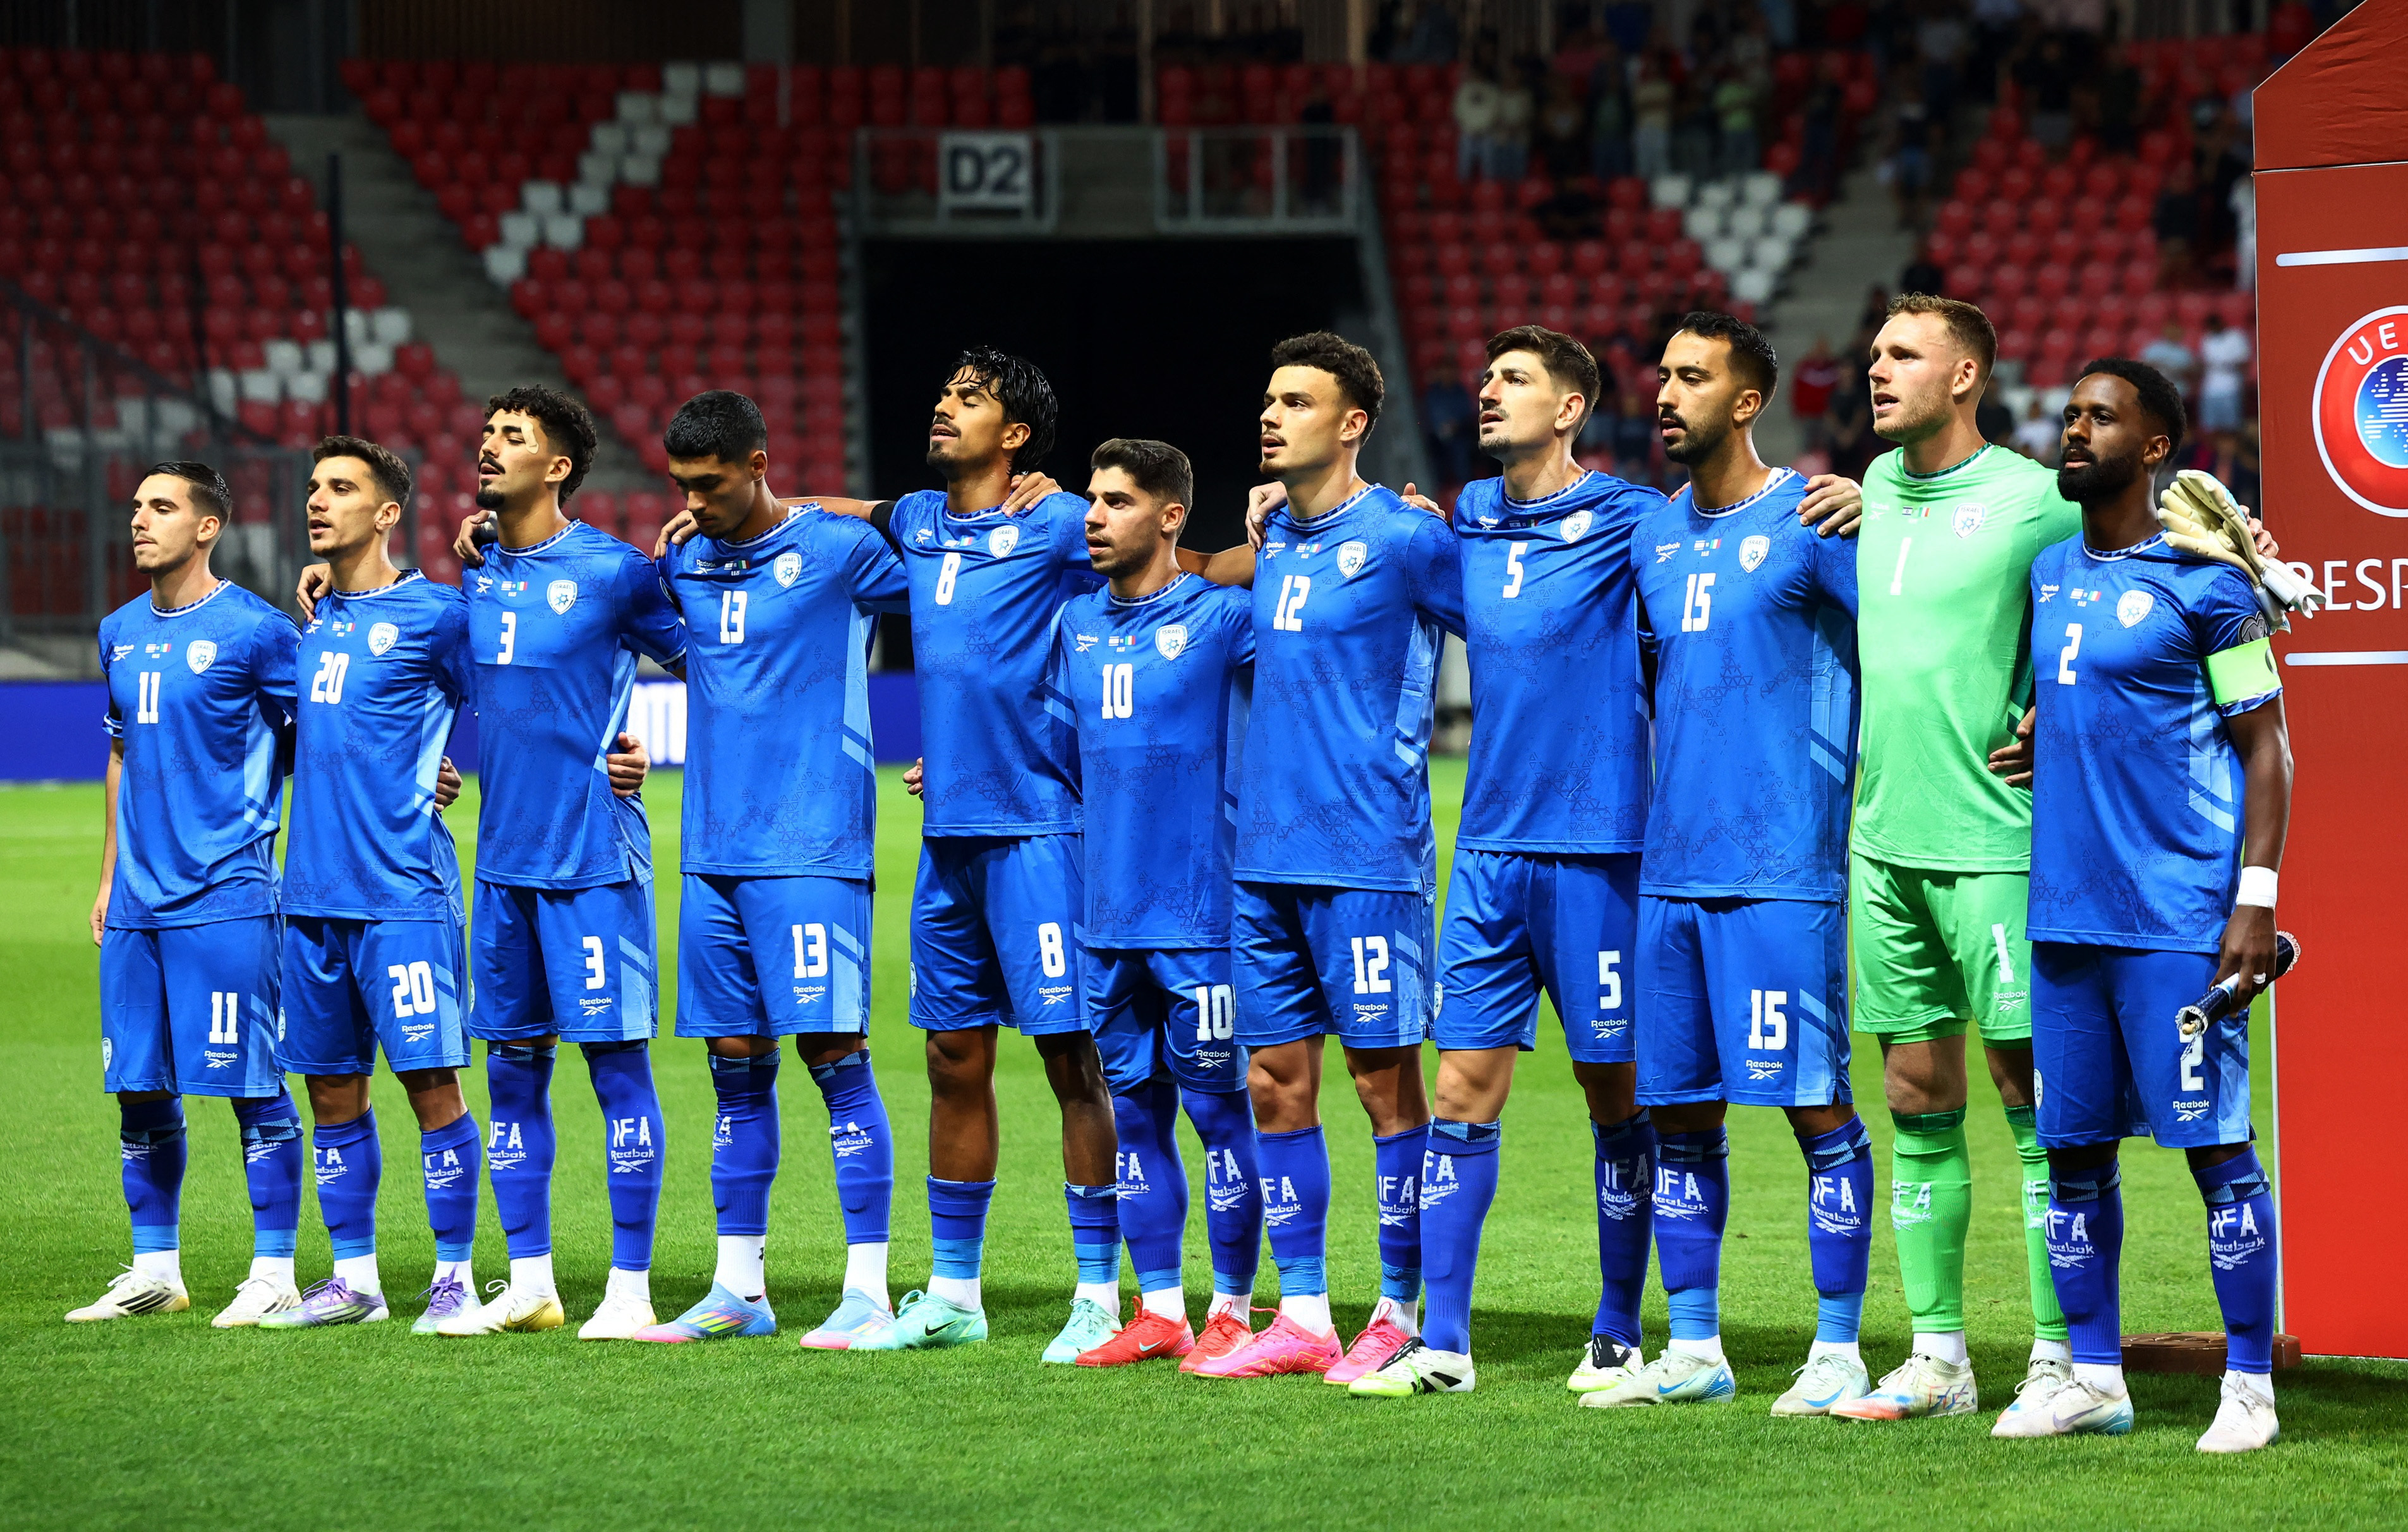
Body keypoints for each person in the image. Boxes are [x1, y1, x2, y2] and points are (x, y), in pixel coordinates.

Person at [1351, 327, 1666, 1399]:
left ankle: (1619, 1327)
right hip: (1486, 852)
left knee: (1614, 1095)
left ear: (1571, 408)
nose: (1486, 393)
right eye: (1485, 377)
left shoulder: (1633, 520)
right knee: (1459, 1096)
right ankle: (1443, 1345)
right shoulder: (1469, 520)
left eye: (1514, 380)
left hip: (1602, 852)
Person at [331, 387, 681, 1340]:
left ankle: (630, 1285)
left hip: (593, 863)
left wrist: (636, 746)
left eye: (512, 437)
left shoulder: (615, 573)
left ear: (558, 465)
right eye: (487, 433)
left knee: (616, 1071)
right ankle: (528, 1282)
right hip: (502, 870)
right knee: (514, 1076)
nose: (488, 447)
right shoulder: (475, 572)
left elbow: (714, 664)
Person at [1988, 359, 2290, 1453]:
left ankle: (2249, 1385)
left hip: (2175, 921)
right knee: (2071, 1158)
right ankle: (2094, 1376)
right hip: (2066, 918)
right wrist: (2046, 744)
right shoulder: (2050, 574)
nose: (2074, 431)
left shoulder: (2208, 584)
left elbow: (2268, 752)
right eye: (2068, 415)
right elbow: (2095, 703)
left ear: (2155, 446)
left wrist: (2253, 901)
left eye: (2099, 418)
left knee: (2218, 1155)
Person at [1582, 313, 1874, 1414]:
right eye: (1663, 375)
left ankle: (1837, 1347)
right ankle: (1696, 1349)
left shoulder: (1814, 521)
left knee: (1814, 1112)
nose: (1665, 393)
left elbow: (1899, 638)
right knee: (1681, 1119)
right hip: (1672, 871)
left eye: (1692, 378)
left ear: (1746, 401)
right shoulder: (1652, 537)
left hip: (1780, 868)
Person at [1810, 294, 2077, 1420]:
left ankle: (2065, 1359)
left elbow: (2119, 599)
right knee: (1915, 1097)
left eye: (1903, 356)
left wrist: (2060, 724)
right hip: (1882, 847)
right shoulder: (1869, 495)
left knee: (2033, 1106)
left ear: (1964, 376)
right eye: (1874, 353)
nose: (1877, 370)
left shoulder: (2033, 501)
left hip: (1996, 848)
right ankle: (1940, 1360)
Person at [1187, 332, 1465, 1382]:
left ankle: (1400, 1310)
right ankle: (1303, 1315)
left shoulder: (1405, 538)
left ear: (1351, 423)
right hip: (1263, 857)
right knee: (1272, 1085)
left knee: (1384, 1087)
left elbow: (1504, 625)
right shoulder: (1274, 542)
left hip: (1368, 857)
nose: (1271, 414)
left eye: (1295, 401)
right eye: (1267, 399)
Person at [632, 392, 907, 1347]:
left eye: (710, 485)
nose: (695, 503)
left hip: (812, 848)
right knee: (733, 1072)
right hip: (710, 854)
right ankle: (738, 1289)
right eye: (682, 488)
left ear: (757, 462)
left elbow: (961, 609)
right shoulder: (686, 560)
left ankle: (867, 1288)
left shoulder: (837, 553)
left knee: (835, 1059)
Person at [1042, 438, 1266, 1372]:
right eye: (1091, 500)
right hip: (1108, 917)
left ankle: (1233, 1309)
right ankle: (1160, 1309)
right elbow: (1062, 752)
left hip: (1202, 916)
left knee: (1220, 1114)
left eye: (1117, 502)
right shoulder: (1074, 627)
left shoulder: (1222, 618)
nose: (1092, 517)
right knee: (1133, 1113)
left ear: (1170, 517)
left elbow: (1322, 654)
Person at [71, 462, 308, 1327]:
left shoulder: (258, 631)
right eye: (135, 506)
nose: (140, 519)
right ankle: (155, 1268)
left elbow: (314, 741)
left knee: (251, 1084)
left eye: (161, 507)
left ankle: (275, 1269)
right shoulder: (118, 631)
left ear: (206, 527)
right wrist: (107, 876)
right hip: (138, 900)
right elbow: (123, 751)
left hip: (229, 891)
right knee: (139, 1086)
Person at [262, 438, 482, 1333]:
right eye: (315, 487)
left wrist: (449, 766)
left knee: (432, 1082)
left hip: (402, 893)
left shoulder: (437, 615)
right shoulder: (307, 623)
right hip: (311, 895)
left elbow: (509, 709)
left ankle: (456, 1279)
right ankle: (355, 1279)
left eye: (342, 488)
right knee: (330, 1091)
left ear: (388, 513)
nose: (319, 501)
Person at [2196, 313, 2252, 434]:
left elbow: (2244, 363)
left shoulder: (2236, 337)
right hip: (2210, 389)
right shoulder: (2207, 339)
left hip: (2231, 387)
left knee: (2231, 428)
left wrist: (2227, 365)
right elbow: (2203, 362)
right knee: (2209, 428)